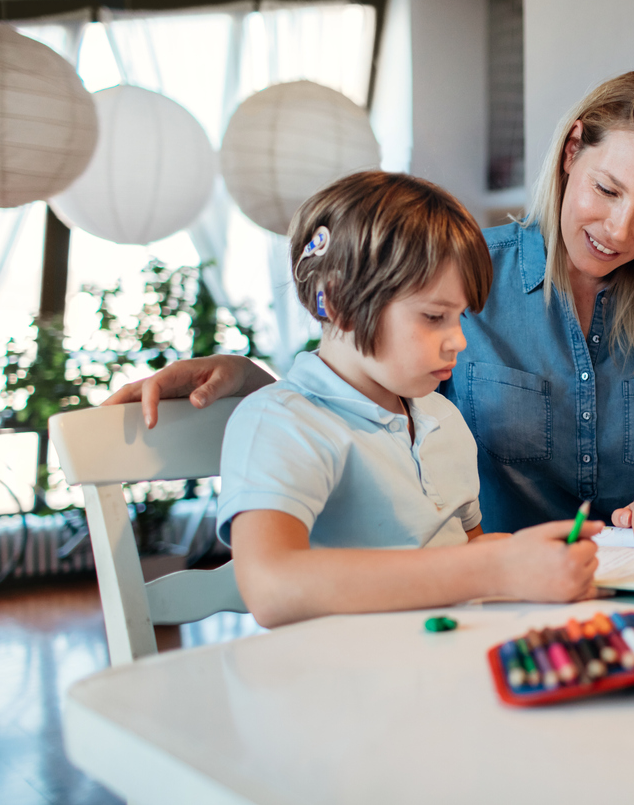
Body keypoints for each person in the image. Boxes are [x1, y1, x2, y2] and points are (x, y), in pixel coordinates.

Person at [108, 66, 634, 550]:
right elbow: (357, 394)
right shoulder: (457, 275)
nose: (617, 231)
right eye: (607, 189)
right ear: (571, 150)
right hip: (480, 596)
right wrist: (246, 377)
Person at [215, 172, 600, 628]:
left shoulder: (443, 418)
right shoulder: (283, 423)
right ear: (337, 303)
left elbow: (465, 550)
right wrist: (492, 568)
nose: (457, 339)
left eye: (458, 318)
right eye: (434, 316)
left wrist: (523, 562)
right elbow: (271, 587)